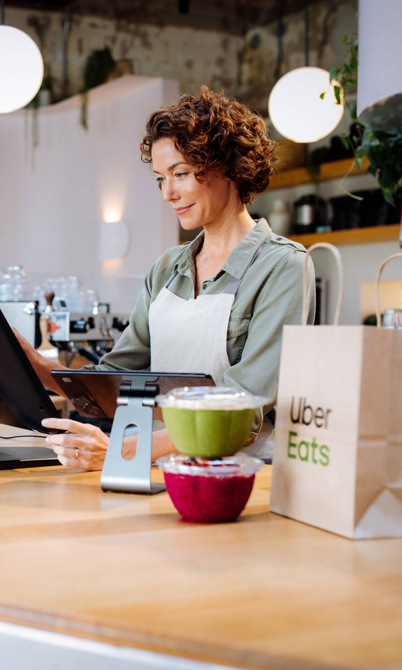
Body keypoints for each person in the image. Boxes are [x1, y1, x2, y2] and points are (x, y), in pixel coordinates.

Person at [17, 87, 315, 470]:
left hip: (238, 477)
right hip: (160, 470)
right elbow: (114, 381)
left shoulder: (281, 267)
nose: (167, 193)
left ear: (229, 167)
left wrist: (123, 451)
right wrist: (32, 364)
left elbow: (241, 408)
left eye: (181, 174)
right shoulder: (166, 268)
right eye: (160, 178)